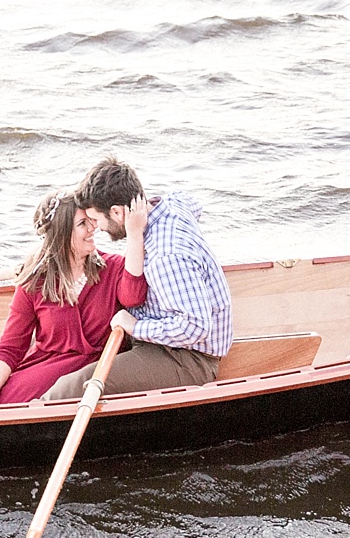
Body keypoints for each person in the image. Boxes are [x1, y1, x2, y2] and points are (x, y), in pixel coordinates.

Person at [0, 189, 147, 407]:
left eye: (92, 221)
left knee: (14, 400)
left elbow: (134, 296)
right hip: (43, 367)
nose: (93, 228)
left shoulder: (114, 268)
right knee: (2, 395)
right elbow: (11, 347)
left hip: (92, 373)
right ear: (62, 234)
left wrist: (134, 235)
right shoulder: (35, 282)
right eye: (82, 224)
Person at [41, 157, 231, 401]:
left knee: (76, 386)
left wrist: (136, 326)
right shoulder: (171, 207)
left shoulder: (165, 256)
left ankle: (33, 418)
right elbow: (192, 202)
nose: (97, 228)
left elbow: (196, 327)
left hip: (185, 357)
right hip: (165, 344)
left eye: (97, 220)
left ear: (118, 212)